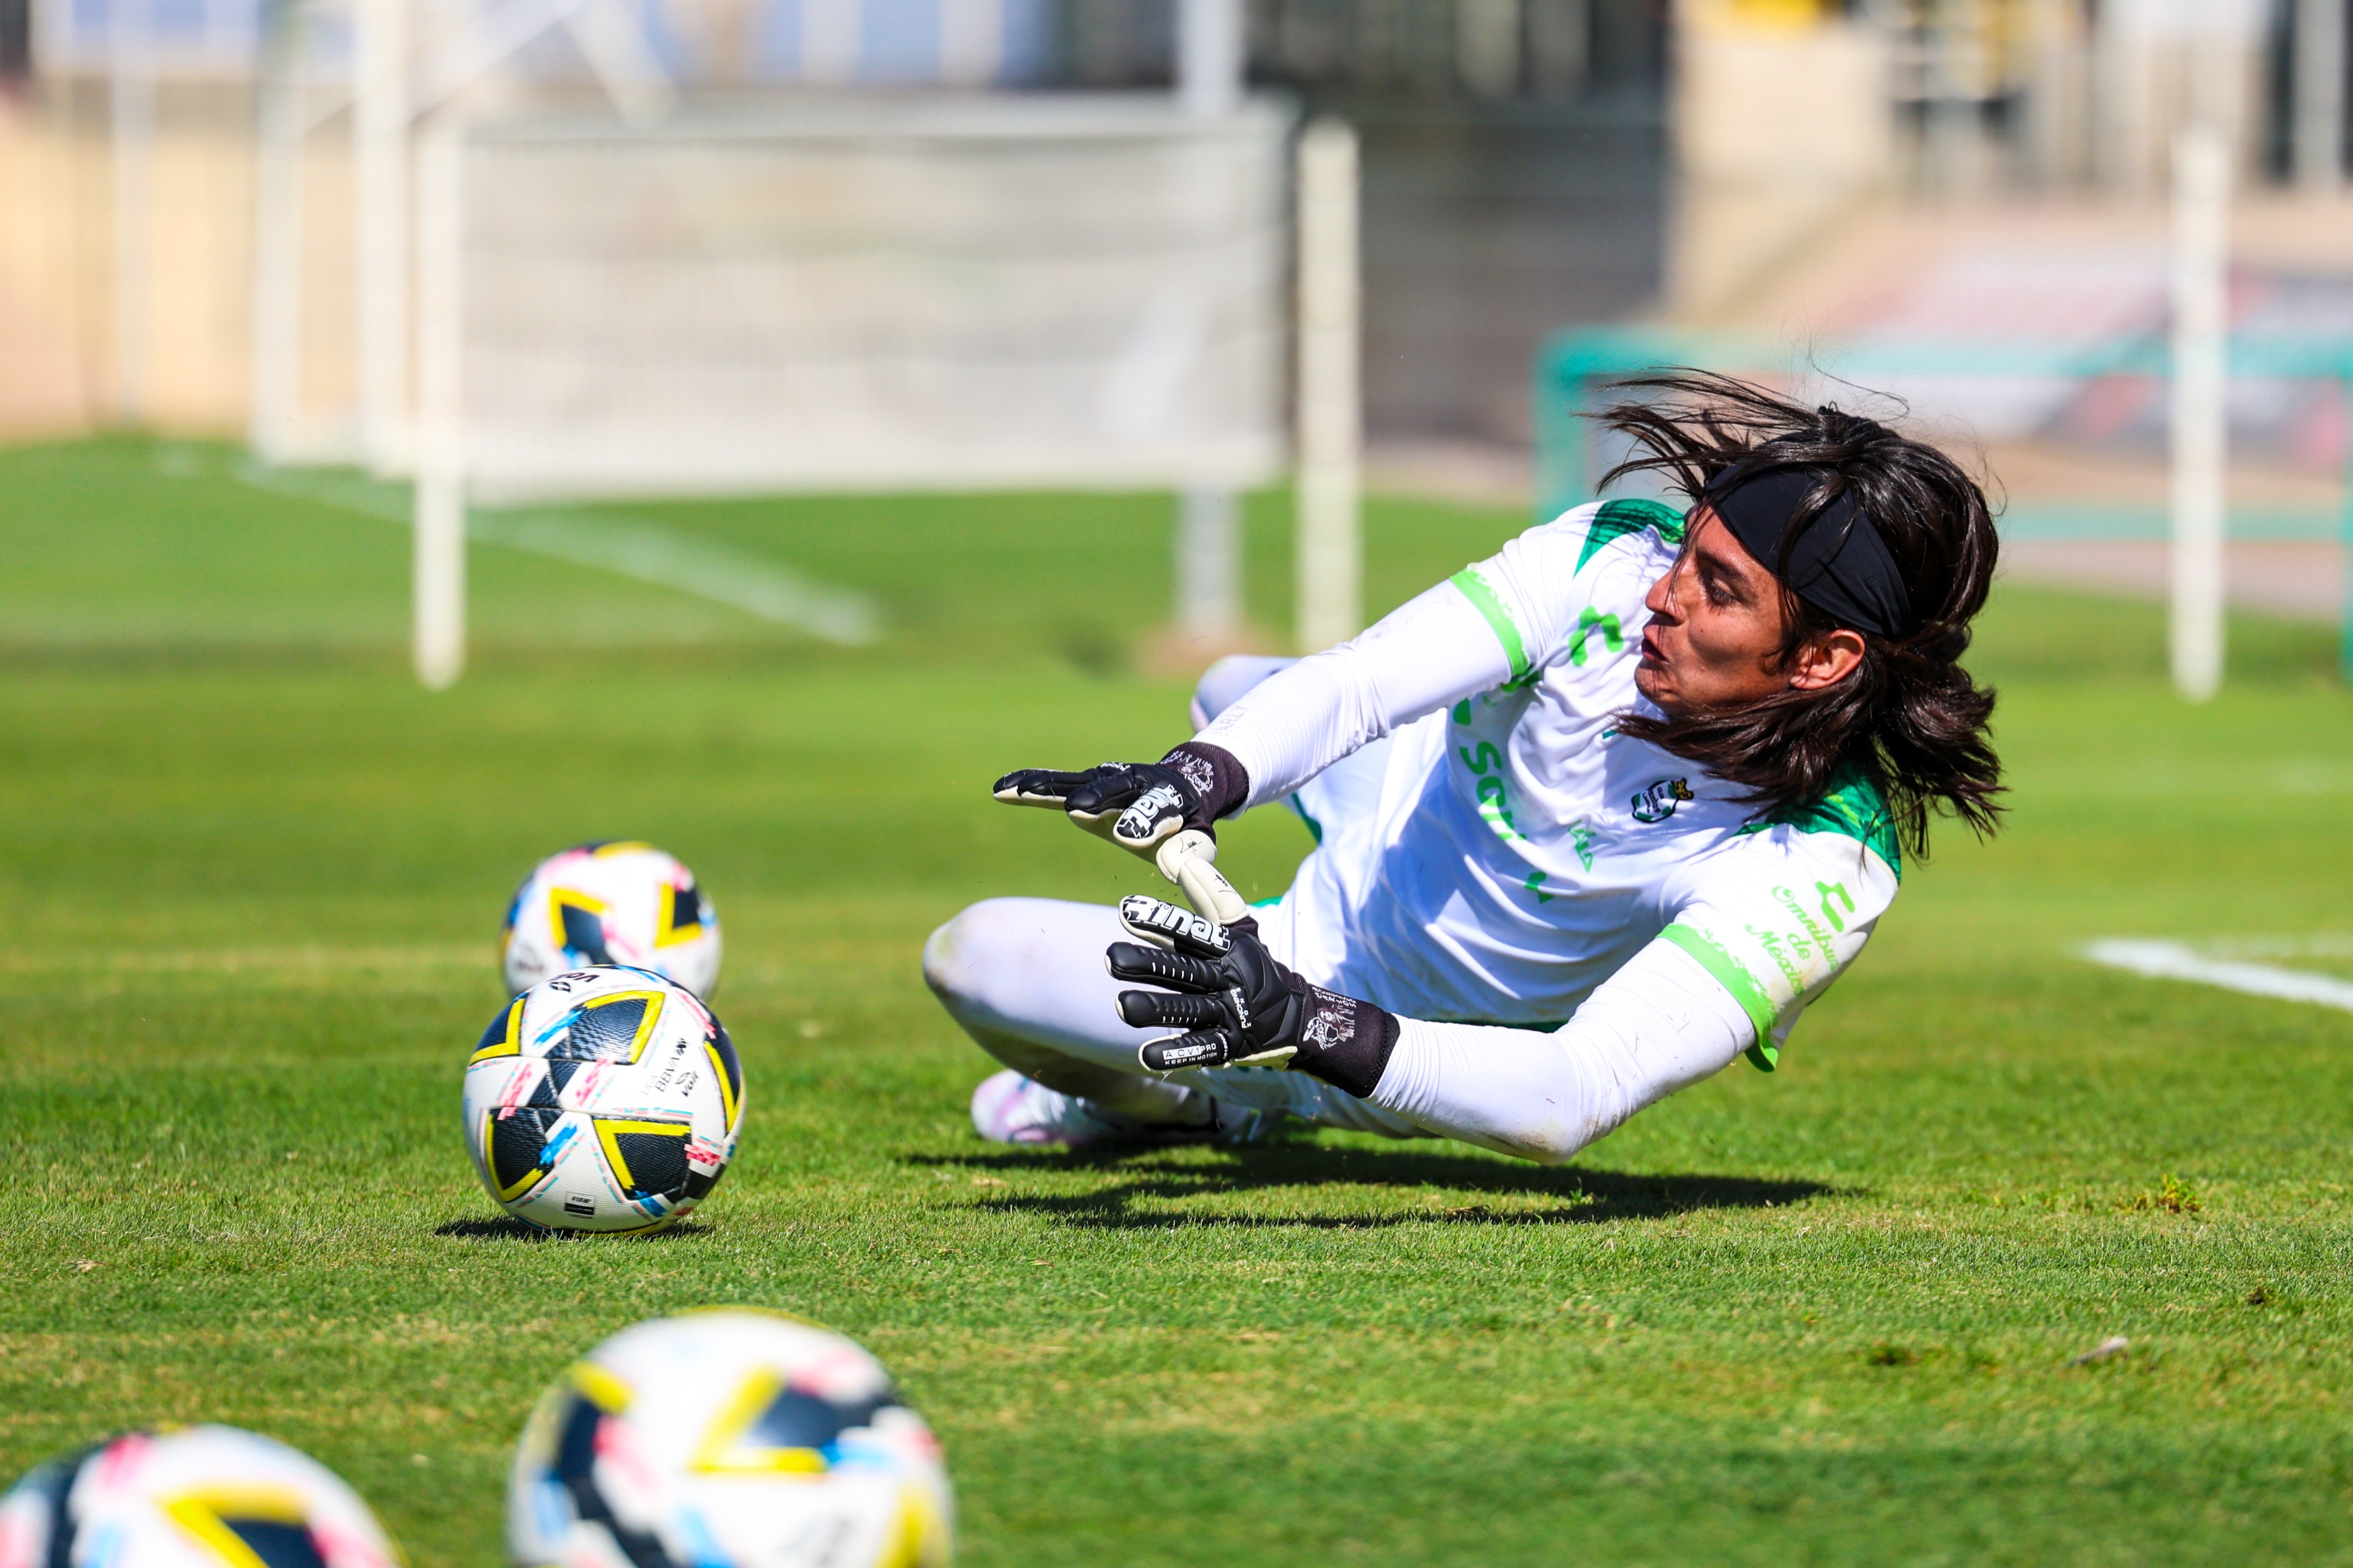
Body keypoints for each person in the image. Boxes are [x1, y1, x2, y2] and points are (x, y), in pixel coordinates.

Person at [923, 372, 2002, 1164]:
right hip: (1395, 808)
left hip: (1358, 1004)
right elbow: (1358, 686)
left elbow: (1571, 1096)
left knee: (973, 956)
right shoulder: (1609, 562)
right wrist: (1198, 778)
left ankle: (1207, 1104)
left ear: (1822, 659)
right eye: (1687, 551)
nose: (1666, 593)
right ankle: (1237, 939)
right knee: (1234, 691)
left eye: (1719, 588)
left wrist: (1305, 1022)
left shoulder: (1825, 859)